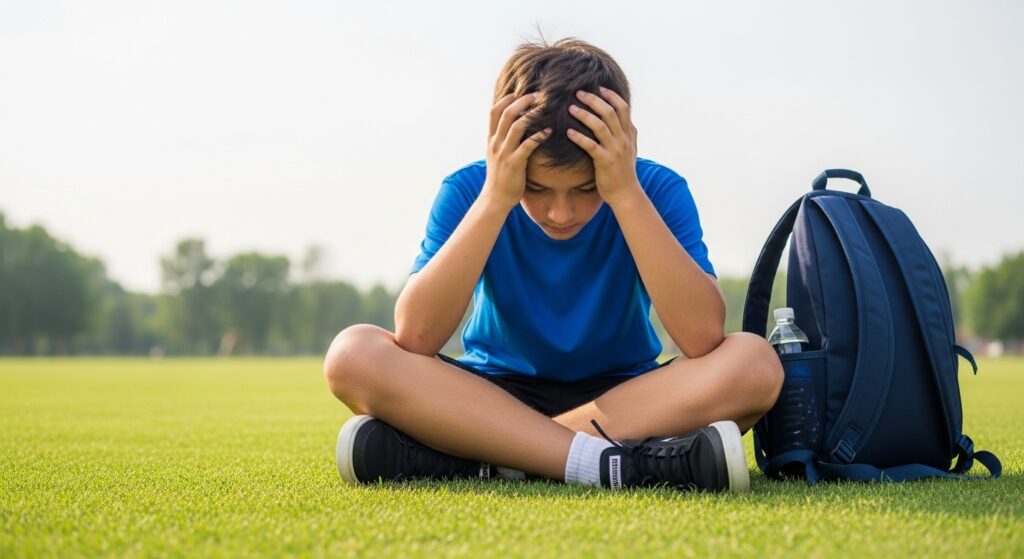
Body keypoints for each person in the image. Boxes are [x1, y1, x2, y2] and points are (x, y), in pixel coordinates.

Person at [323, 37, 784, 492]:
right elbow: (417, 335)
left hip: (628, 398)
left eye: (585, 189)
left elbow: (702, 336)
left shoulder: (655, 189)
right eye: (538, 189)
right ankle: (614, 463)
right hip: (489, 393)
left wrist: (624, 193)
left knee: (754, 363)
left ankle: (485, 456)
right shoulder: (468, 190)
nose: (560, 214)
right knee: (352, 355)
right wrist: (497, 197)